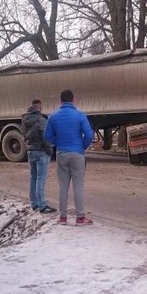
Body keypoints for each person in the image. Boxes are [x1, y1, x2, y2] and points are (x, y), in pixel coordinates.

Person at [44, 89, 94, 226]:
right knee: (78, 187)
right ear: (73, 100)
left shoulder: (53, 116)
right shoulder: (80, 115)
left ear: (60, 101)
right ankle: (80, 217)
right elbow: (89, 135)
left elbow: (46, 136)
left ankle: (63, 217)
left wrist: (57, 143)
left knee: (63, 186)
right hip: (77, 154)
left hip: (61, 153)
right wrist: (81, 147)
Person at [22, 99, 56, 213]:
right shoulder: (41, 120)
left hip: (30, 151)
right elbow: (45, 137)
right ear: (40, 107)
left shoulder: (25, 119)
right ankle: (42, 205)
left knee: (33, 178)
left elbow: (25, 135)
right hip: (41, 152)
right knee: (41, 179)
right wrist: (50, 151)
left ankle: (34, 203)